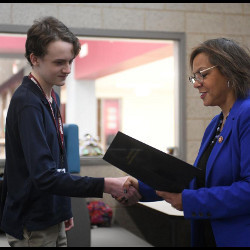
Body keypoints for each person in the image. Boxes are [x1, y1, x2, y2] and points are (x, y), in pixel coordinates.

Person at [0, 16, 141, 247]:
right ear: (34, 59)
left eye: (70, 62)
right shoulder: (27, 102)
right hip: (33, 222)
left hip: (52, 214)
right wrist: (106, 184)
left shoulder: (51, 96)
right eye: (59, 63)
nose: (67, 70)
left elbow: (58, 163)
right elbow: (43, 176)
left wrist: (63, 208)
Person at [123, 38, 250, 247]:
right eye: (194, 77)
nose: (197, 83)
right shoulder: (216, 124)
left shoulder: (246, 115)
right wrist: (141, 187)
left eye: (203, 74)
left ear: (229, 69)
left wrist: (191, 201)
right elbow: (198, 180)